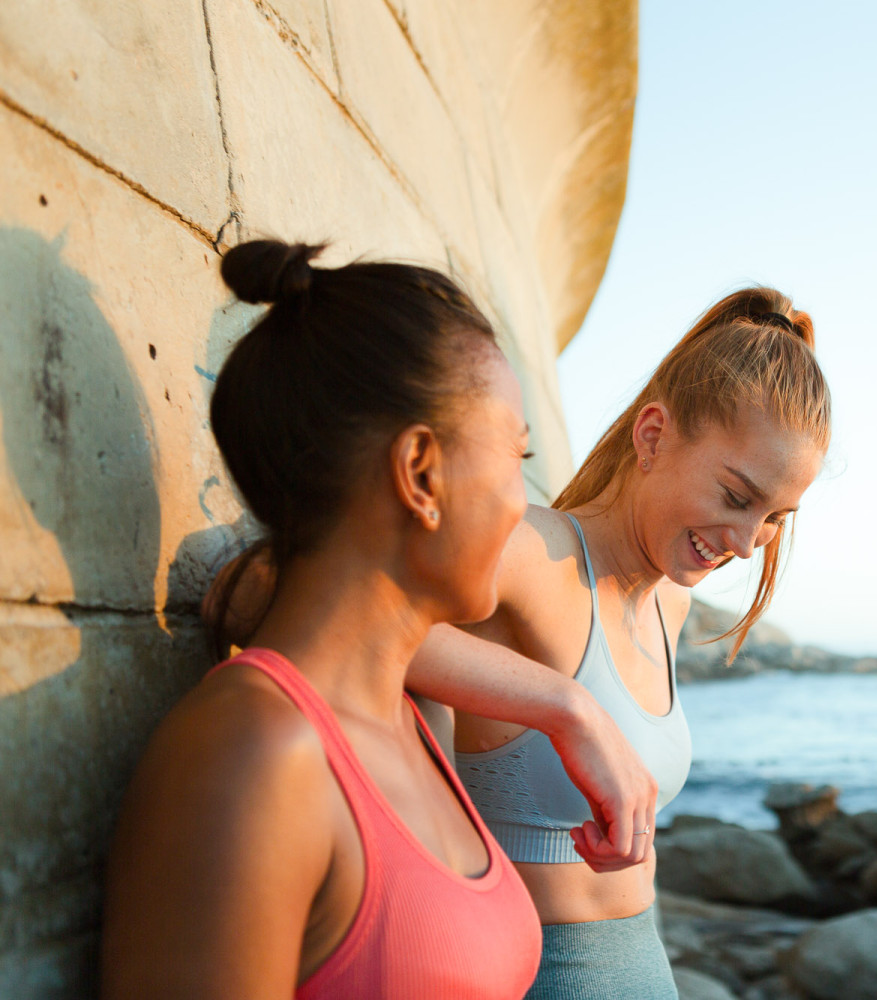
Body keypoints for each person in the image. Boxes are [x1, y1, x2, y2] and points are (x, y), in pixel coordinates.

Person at [101, 240, 548, 999]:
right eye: (515, 457)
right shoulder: (255, 753)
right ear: (420, 473)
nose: (522, 503)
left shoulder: (412, 724)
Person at [404, 287, 832, 999]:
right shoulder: (531, 551)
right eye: (735, 496)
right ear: (654, 436)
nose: (748, 544)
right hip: (532, 973)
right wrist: (566, 706)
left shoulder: (672, 598)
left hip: (645, 965)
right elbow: (314, 604)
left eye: (773, 517)